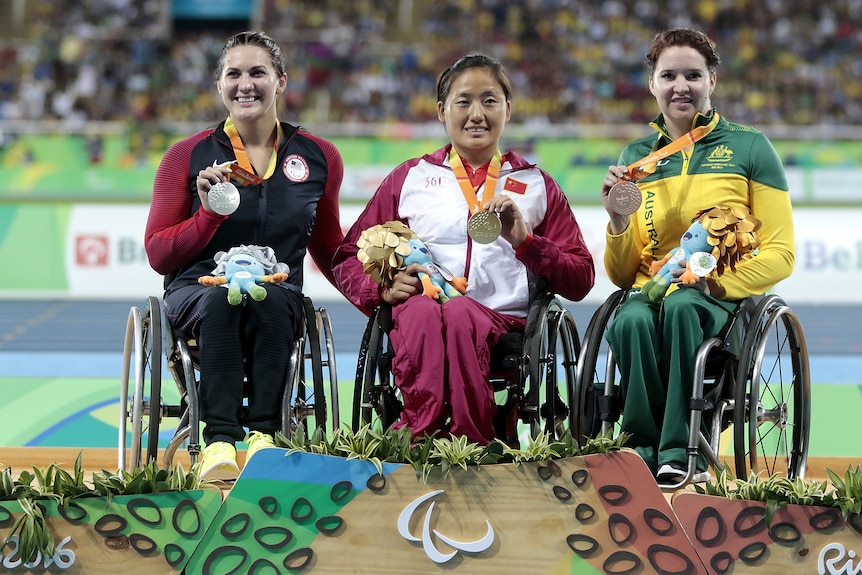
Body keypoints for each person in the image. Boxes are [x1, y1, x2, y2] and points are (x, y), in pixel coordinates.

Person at [332, 54, 595, 445]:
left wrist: (525, 242)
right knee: (420, 308)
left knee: (459, 313)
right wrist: (381, 290)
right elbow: (348, 257)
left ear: (508, 108)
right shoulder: (411, 178)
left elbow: (580, 278)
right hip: (425, 311)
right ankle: (421, 433)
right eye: (463, 101)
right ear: (442, 111)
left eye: (489, 101)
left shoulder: (537, 184)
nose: (477, 113)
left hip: (503, 322)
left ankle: (474, 440)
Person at [144, 31, 344, 480]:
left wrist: (376, 292)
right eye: (234, 74)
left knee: (268, 300)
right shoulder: (185, 156)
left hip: (277, 289)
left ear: (281, 81)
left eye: (258, 72)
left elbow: (330, 247)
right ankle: (218, 442)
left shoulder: (320, 156)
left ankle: (264, 437)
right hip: (200, 291)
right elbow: (159, 252)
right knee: (223, 301)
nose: (245, 84)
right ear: (220, 85)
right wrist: (208, 214)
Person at [599, 28, 795, 486]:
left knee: (683, 306)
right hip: (653, 289)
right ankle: (637, 449)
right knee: (628, 320)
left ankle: (678, 452)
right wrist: (618, 223)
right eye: (668, 75)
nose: (680, 86)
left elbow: (781, 253)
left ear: (712, 81)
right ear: (653, 85)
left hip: (718, 298)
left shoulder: (750, 147)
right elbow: (621, 273)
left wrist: (719, 284)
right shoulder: (636, 158)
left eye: (692, 75)